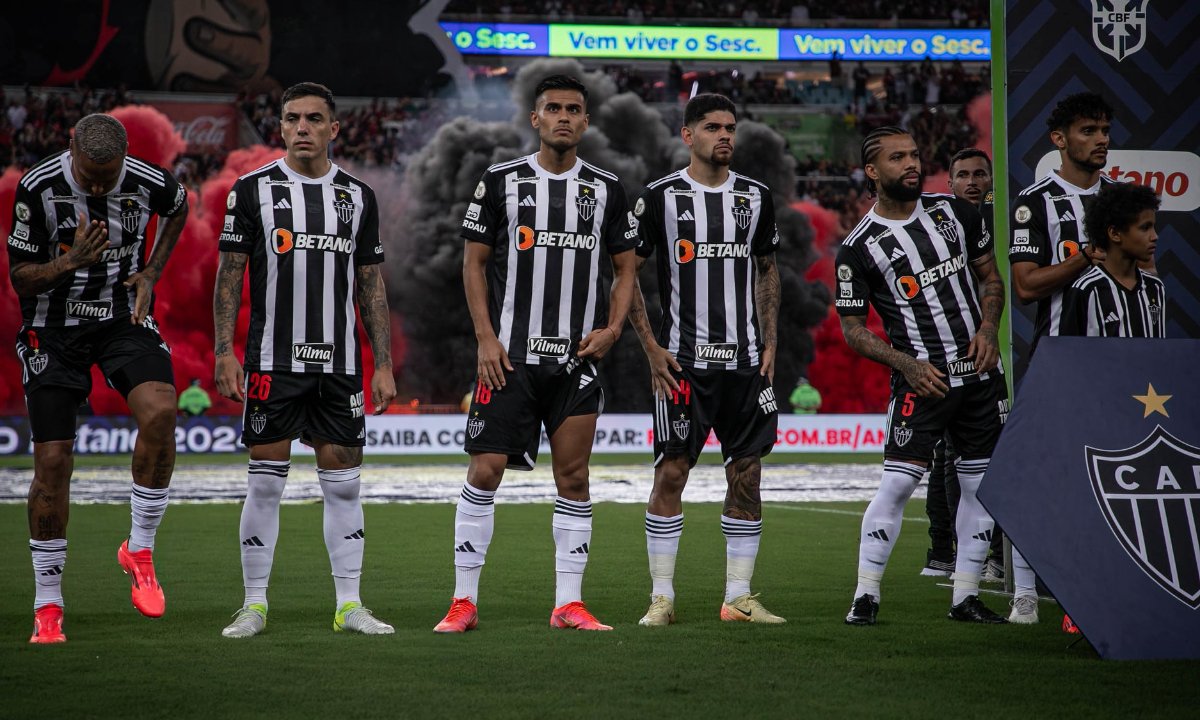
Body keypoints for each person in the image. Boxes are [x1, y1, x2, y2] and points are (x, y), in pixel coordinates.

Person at [433, 75, 637, 633]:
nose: (564, 117)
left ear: (586, 121)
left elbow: (626, 269)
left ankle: (568, 604)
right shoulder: (501, 182)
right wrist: (485, 339)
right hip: (510, 358)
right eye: (553, 109)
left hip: (577, 361)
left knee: (574, 477)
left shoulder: (606, 189)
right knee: (486, 469)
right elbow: (473, 264)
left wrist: (614, 328)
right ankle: (464, 602)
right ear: (535, 118)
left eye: (574, 109)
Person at [213, 82, 397, 638]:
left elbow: (371, 283)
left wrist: (382, 362)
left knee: (343, 481)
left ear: (333, 128)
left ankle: (349, 606)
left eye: (314, 119)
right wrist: (224, 351)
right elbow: (230, 276)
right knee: (265, 482)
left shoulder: (358, 196)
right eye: (293, 118)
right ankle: (253, 604)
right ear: (281, 126)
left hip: (340, 366)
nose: (302, 128)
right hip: (272, 362)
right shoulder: (252, 190)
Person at [8, 113, 188, 643]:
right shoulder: (37, 187)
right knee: (53, 461)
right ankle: (48, 604)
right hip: (52, 327)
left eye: (107, 177)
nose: (97, 185)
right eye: (89, 175)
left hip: (119, 318)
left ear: (125, 158)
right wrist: (69, 263)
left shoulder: (147, 180)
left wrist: (152, 271)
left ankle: (139, 549)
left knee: (161, 411)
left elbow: (178, 207)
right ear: (72, 151)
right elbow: (20, 279)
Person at [837, 126, 1008, 626]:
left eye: (914, 154)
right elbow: (853, 329)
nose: (912, 164)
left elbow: (989, 276)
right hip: (922, 382)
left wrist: (990, 328)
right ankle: (865, 597)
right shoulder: (858, 247)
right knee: (895, 486)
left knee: (979, 488)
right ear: (873, 172)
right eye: (898, 158)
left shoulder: (955, 211)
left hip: (979, 375)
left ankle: (966, 597)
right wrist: (907, 365)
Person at [627, 93, 785, 627]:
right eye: (713, 127)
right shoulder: (659, 198)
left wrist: (770, 341)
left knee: (747, 474)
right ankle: (662, 598)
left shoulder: (756, 197)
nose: (725, 136)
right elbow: (628, 276)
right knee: (672, 473)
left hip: (744, 364)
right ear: (687, 134)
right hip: (683, 365)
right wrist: (651, 347)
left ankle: (737, 597)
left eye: (731, 127)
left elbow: (767, 269)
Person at [1008, 92, 1125, 624]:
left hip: (1119, 363)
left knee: (1112, 479)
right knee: (1043, 475)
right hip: (1057, 357)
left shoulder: (1123, 202)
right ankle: (1026, 592)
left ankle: (1092, 594)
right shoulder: (1036, 202)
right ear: (1059, 140)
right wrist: (1084, 258)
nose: (1100, 139)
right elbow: (1026, 286)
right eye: (1088, 131)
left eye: (1104, 130)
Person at [1060, 183, 1165, 337]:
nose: (1154, 236)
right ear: (1115, 233)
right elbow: (1067, 354)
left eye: (1153, 227)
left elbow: (1160, 352)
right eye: (1145, 228)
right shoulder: (1086, 290)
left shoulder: (1155, 287)